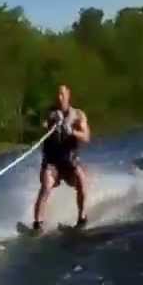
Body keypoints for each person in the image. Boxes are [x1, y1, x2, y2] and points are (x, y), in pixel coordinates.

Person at [32, 84, 91, 232]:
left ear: (68, 95)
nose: (59, 98)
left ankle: (82, 218)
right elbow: (42, 127)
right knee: (46, 185)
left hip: (70, 161)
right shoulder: (49, 114)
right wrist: (50, 124)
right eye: (57, 95)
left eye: (62, 94)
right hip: (52, 163)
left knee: (82, 181)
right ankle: (38, 224)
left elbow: (86, 137)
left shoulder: (78, 115)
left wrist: (72, 131)